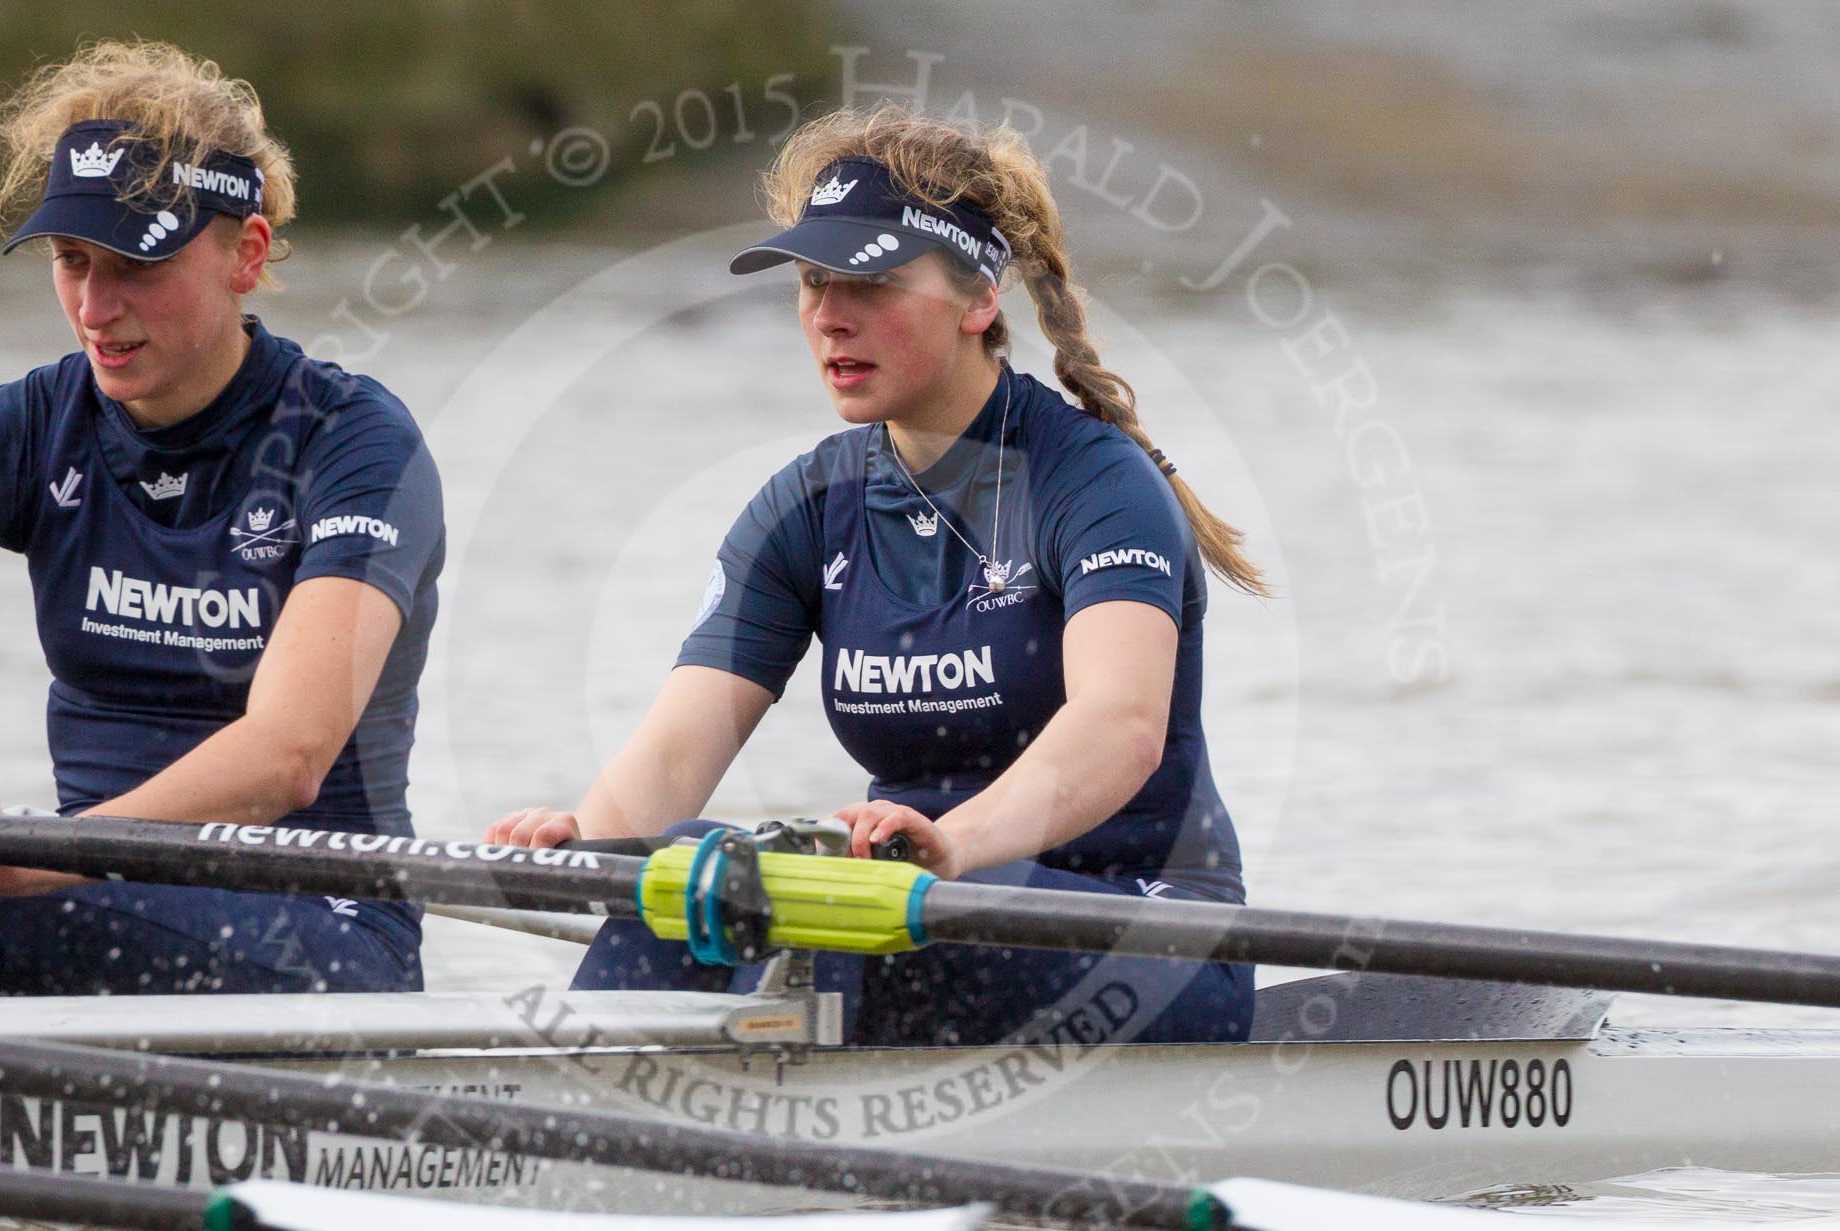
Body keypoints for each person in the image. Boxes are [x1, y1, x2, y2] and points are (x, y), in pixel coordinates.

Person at [490, 106, 1268, 1047]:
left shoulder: (1098, 485)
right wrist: (585, 846)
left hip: (1148, 929)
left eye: (870, 280)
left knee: (843, 900)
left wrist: (957, 847)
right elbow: (675, 752)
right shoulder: (807, 507)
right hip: (907, 913)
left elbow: (1123, 727)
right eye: (815, 281)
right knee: (693, 869)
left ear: (979, 299)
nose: (828, 314)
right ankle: (570, 1126)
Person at [0, 40, 443, 1002]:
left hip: (318, 925)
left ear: (248, 253)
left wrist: (42, 858)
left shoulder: (354, 444)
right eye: (72, 261)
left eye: (137, 266)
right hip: (84, 888)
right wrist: (35, 857)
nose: (95, 308)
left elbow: (290, 752)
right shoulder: (26, 428)